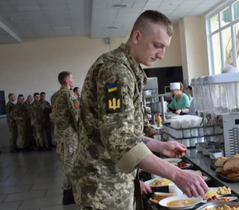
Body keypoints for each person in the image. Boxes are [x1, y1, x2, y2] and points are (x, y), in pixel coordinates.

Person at [71, 10, 208, 210]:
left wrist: (160, 147)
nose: (161, 55)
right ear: (137, 36)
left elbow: (126, 133)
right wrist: (177, 175)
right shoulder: (115, 70)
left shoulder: (129, 69)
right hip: (103, 185)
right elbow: (121, 141)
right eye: (157, 45)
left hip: (115, 180)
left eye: (165, 48)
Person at [51, 71, 80, 205]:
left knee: (65, 162)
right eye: (72, 78)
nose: (73, 80)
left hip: (60, 135)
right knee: (71, 164)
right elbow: (76, 116)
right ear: (67, 81)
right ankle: (69, 194)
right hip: (70, 136)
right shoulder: (69, 94)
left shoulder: (54, 96)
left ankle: (70, 193)